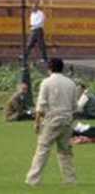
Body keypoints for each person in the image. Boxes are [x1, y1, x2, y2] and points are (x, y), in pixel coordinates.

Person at [26, 58, 77, 186]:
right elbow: (74, 106)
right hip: (67, 119)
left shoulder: (46, 82)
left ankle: (33, 179)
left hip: (52, 118)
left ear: (49, 68)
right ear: (62, 68)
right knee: (65, 151)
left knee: (43, 149)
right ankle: (70, 180)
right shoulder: (71, 83)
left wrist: (37, 122)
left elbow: (41, 105)